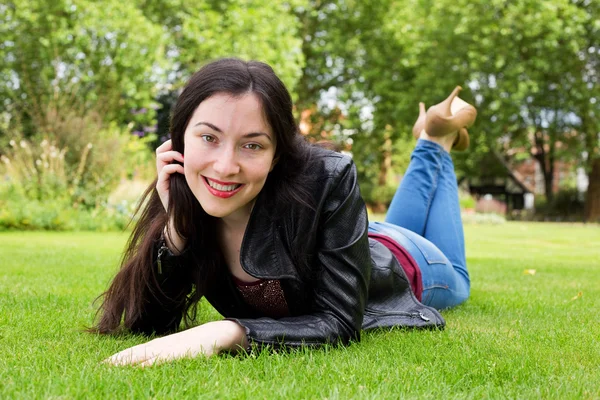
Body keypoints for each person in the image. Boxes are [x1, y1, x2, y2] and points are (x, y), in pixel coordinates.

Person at [94, 58, 476, 366]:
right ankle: (433, 135)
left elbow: (340, 321)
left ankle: (434, 139)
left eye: (252, 146)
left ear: (278, 152)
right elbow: (150, 324)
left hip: (410, 263)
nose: (225, 166)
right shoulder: (187, 204)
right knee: (398, 216)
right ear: (177, 140)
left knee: (459, 277)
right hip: (359, 239)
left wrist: (228, 331)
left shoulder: (328, 175)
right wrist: (177, 227)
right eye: (208, 138)